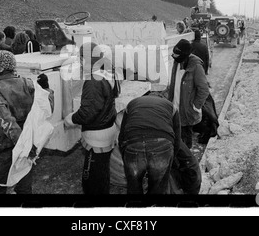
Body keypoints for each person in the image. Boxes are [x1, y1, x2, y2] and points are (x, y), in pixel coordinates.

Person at [64, 42, 120, 195]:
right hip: (107, 128)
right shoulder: (106, 72)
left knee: (91, 177)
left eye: (80, 59)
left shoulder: (93, 80)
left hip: (96, 135)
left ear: (84, 59)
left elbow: (88, 113)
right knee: (102, 171)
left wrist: (71, 119)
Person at [0, 50, 36, 194]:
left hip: (7, 145)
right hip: (27, 140)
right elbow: (45, 106)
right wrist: (47, 88)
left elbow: (6, 122)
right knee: (24, 180)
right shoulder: (27, 82)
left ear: (0, 69)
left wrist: (23, 146)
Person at [118, 95, 181, 194]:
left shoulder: (132, 103)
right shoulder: (171, 107)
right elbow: (177, 140)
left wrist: (126, 156)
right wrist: (170, 159)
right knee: (158, 188)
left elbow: (121, 136)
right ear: (162, 99)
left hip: (134, 144)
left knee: (133, 187)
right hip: (162, 146)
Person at [166, 39, 209, 149]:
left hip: (186, 110)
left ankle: (186, 162)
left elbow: (203, 89)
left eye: (177, 55)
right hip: (175, 107)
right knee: (175, 139)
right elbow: (173, 82)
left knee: (185, 141)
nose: (174, 57)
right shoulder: (177, 61)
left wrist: (195, 106)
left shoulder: (196, 66)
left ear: (185, 55)